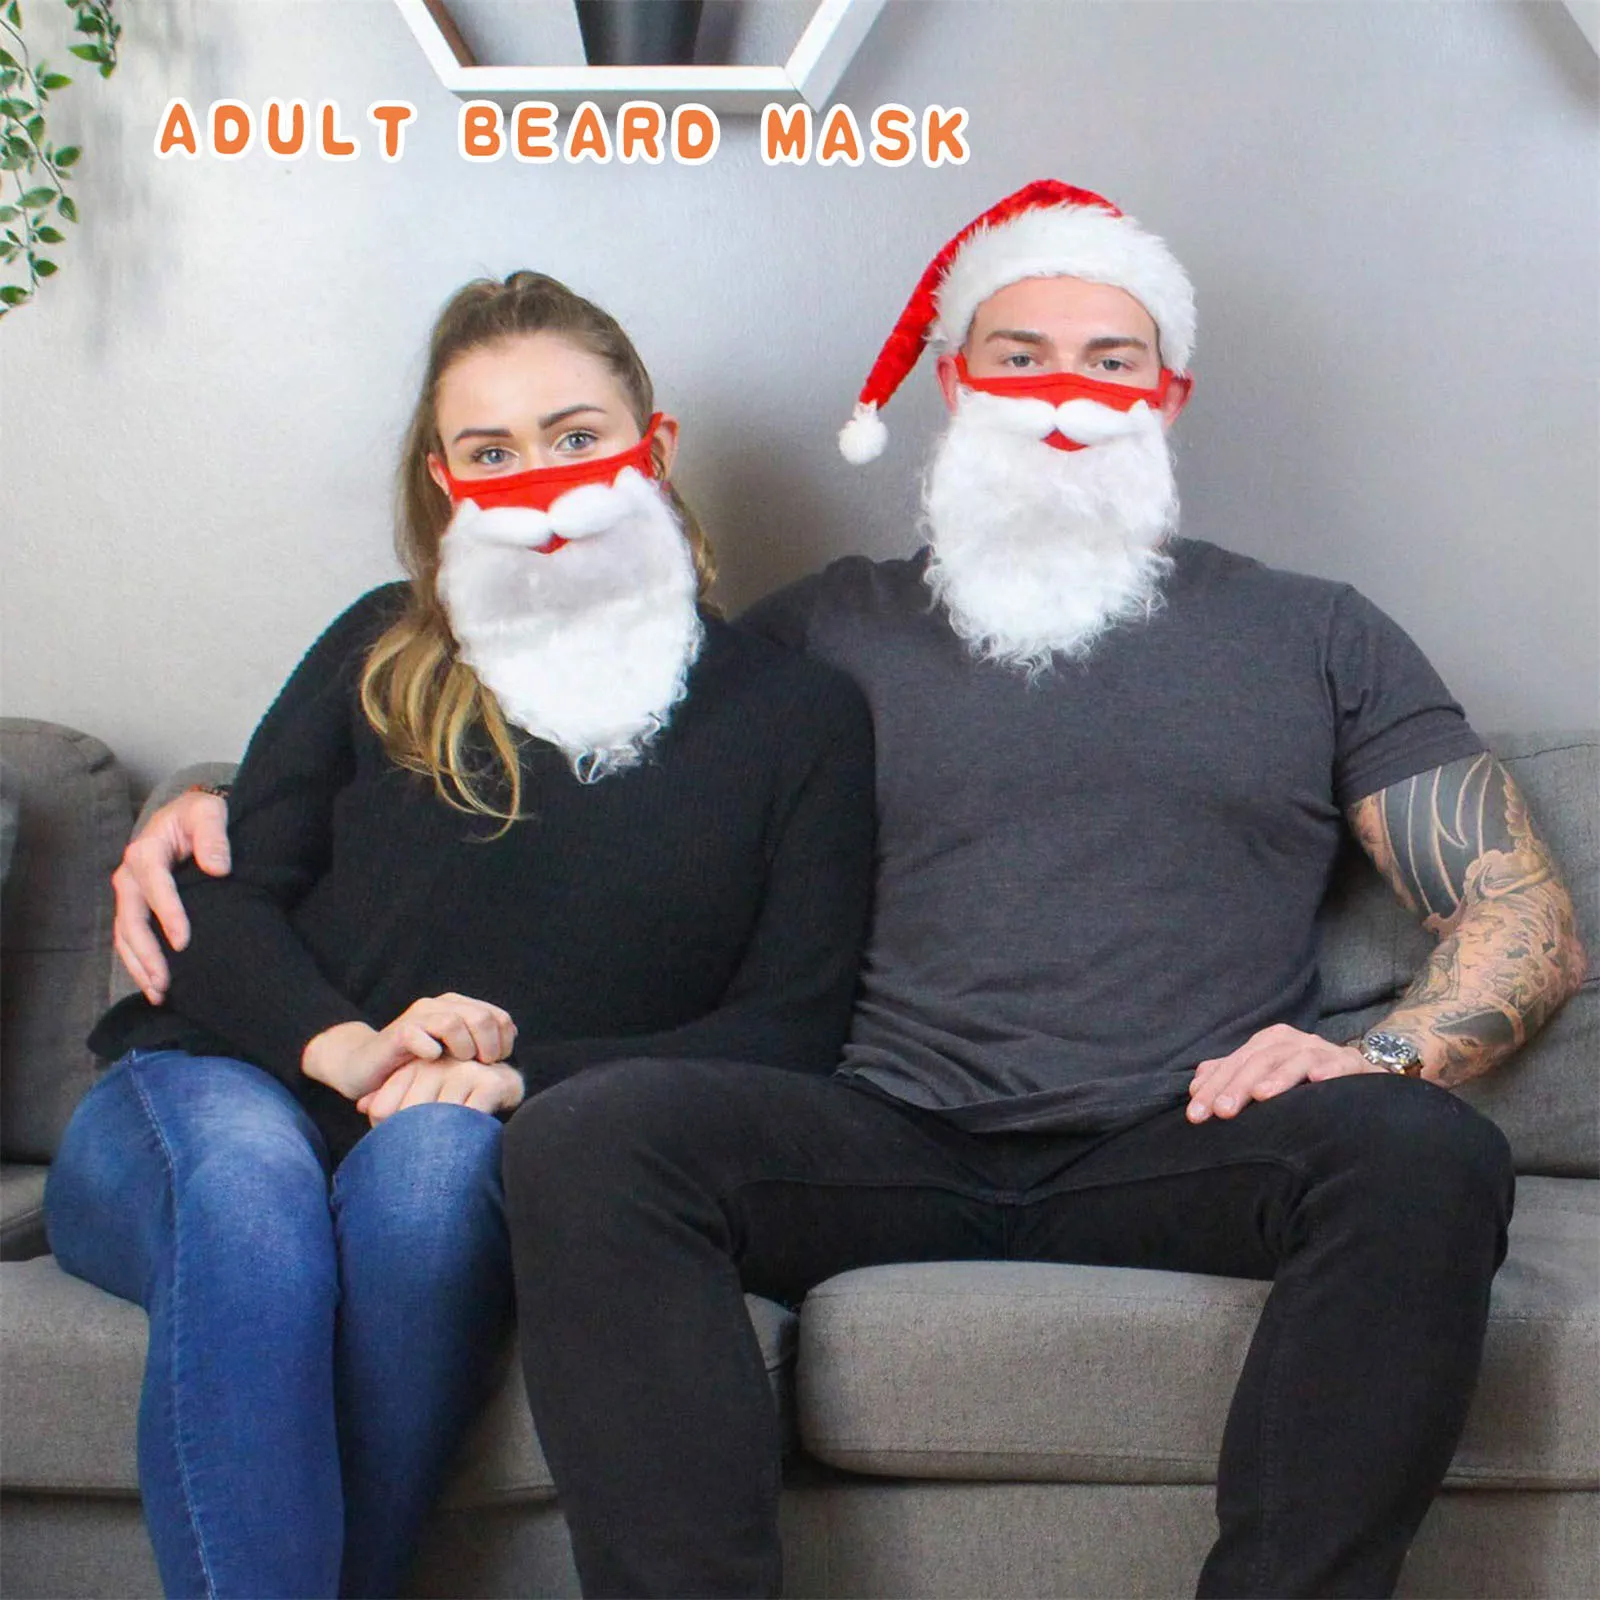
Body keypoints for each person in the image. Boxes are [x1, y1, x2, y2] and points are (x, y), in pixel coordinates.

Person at [115, 184, 1586, 1600]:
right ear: (953, 383)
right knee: (590, 1133)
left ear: (1170, 395)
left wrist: (1381, 1053)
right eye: (1018, 355)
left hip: (1187, 1131)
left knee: (1426, 1155)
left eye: (1110, 361)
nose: (1063, 396)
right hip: (872, 1130)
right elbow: (579, 708)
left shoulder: (1316, 634)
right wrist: (216, 810)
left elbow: (1519, 914)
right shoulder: (819, 637)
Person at [49, 270, 874, 1600]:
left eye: (575, 436)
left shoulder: (797, 720)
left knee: (435, 1179)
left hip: (461, 1126)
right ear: (444, 482)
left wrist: (506, 1074)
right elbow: (217, 907)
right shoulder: (379, 648)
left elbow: (791, 1028)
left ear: (654, 449)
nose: (539, 485)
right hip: (213, 1087)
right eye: (490, 453)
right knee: (251, 1201)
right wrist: (353, 1048)